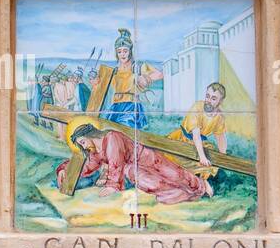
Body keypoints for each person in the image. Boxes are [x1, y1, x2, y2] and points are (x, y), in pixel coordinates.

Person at [56, 122, 210, 203]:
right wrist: (64, 169)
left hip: (148, 158)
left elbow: (116, 163)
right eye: (81, 145)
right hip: (133, 169)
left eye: (83, 141)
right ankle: (183, 195)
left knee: (176, 174)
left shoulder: (111, 137)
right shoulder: (95, 151)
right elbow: (87, 166)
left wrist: (112, 186)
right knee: (152, 184)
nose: (83, 146)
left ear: (90, 135)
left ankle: (201, 185)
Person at [100, 29, 160, 130]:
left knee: (125, 131)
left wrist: (145, 77)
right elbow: (102, 86)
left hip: (131, 107)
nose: (122, 54)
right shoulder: (114, 71)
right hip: (115, 107)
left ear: (130, 51)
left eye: (125, 51)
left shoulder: (138, 67)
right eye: (119, 52)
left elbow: (159, 74)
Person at [169, 81, 228, 169]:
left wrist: (223, 157)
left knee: (208, 166)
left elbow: (220, 137)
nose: (208, 101)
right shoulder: (197, 107)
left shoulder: (219, 116)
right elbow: (196, 135)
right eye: (207, 96)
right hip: (183, 139)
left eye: (213, 98)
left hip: (200, 143)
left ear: (220, 101)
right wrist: (202, 157)